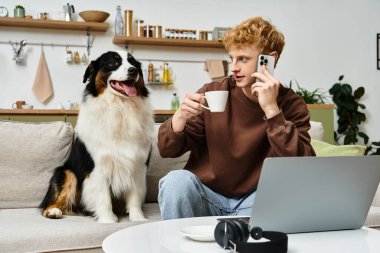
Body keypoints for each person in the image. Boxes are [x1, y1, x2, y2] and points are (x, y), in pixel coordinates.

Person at [157, 17, 315, 220]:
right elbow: (167, 149)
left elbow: (302, 166)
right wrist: (179, 118)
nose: (234, 68)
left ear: (269, 60)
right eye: (232, 58)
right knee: (175, 182)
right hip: (208, 197)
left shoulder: (291, 104)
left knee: (286, 195)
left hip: (256, 200)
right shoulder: (213, 92)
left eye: (243, 59)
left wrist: (272, 111)